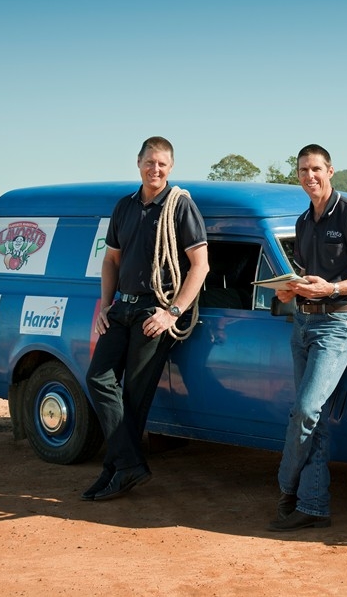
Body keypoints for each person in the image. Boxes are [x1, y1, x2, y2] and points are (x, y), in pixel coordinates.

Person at [81, 136, 209, 502]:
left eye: (163, 164)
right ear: (139, 163)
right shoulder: (123, 207)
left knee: (135, 397)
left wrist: (172, 313)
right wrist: (105, 306)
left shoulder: (180, 206)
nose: (156, 169)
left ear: (171, 168)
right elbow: (110, 261)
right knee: (98, 378)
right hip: (123, 307)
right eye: (150, 162)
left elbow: (200, 266)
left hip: (157, 310)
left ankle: (114, 470)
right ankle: (128, 465)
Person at [269, 143, 347, 531]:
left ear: (330, 171)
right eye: (302, 171)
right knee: (311, 417)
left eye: (316, 169)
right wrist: (291, 289)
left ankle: (286, 487)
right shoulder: (303, 221)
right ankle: (313, 506)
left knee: (305, 410)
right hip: (302, 323)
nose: (309, 177)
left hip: (337, 323)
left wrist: (331, 290)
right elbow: (306, 276)